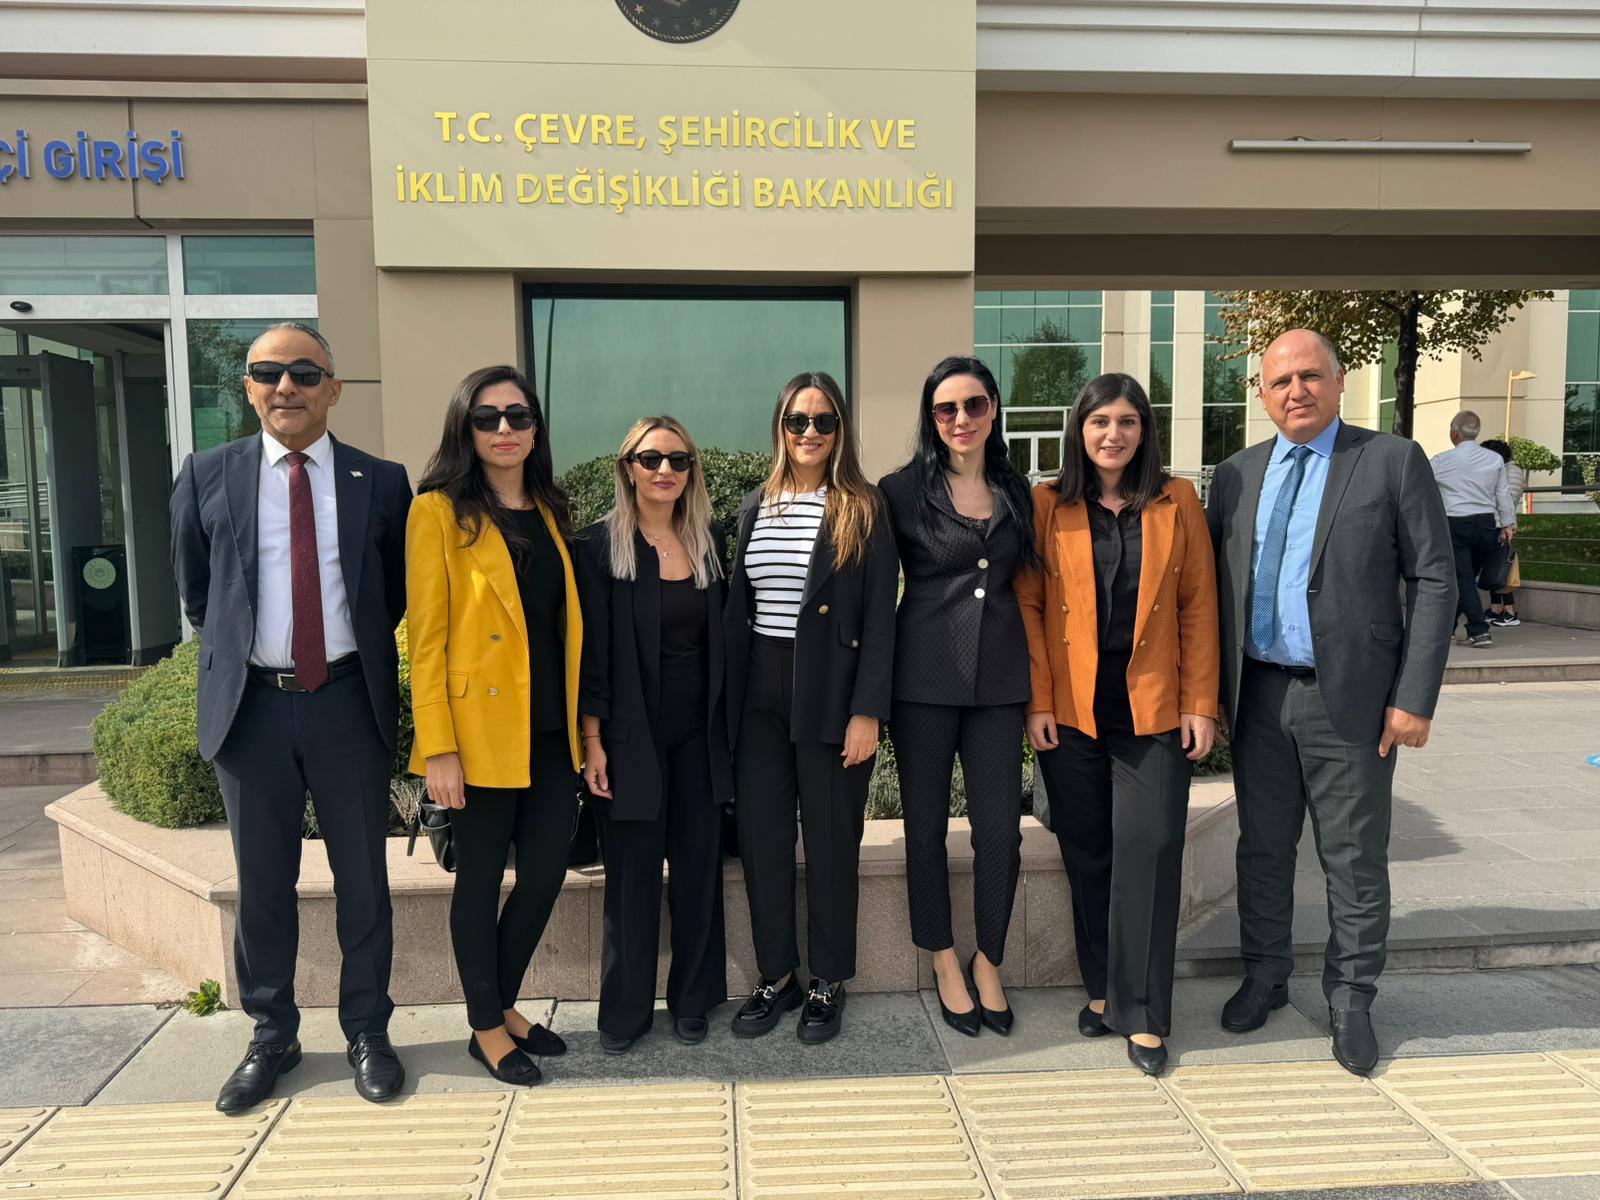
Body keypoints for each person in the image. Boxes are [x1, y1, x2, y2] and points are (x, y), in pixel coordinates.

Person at [170, 322, 411, 1111]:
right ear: (247, 388)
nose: (286, 387)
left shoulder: (382, 480)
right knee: (264, 883)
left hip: (348, 704)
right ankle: (272, 1034)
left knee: (363, 881)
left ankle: (368, 1030)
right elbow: (200, 594)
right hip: (251, 712)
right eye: (267, 372)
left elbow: (390, 594)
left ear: (333, 389)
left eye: (305, 373)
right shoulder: (207, 474)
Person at [1207, 329, 1454, 1075]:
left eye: (1311, 376)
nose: (1297, 391)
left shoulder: (1390, 460)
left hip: (1350, 700)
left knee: (1352, 858)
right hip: (1257, 693)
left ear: (1341, 381)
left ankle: (1351, 1000)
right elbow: (1210, 589)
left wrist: (1414, 698)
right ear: (1262, 395)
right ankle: (1265, 976)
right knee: (1262, 848)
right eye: (1281, 381)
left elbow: (1435, 578)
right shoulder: (1236, 474)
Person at [1015, 373, 1219, 1075]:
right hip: (1072, 712)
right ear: (1079, 429)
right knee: (1090, 853)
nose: (1113, 434)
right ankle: (1103, 989)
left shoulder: (1177, 499)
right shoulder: (1049, 503)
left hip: (1152, 708)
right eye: (1100, 421)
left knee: (1149, 848)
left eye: (1127, 421)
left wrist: (1200, 703)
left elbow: (1198, 605)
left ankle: (1145, 1014)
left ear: (1144, 431)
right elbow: (1029, 605)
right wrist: (1038, 701)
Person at [406, 365, 581, 1087]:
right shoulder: (437, 512)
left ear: (535, 429)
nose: (504, 429)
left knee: (543, 875)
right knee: (478, 881)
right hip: (476, 734)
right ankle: (486, 1025)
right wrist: (437, 748)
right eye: (488, 417)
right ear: (466, 428)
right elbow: (426, 640)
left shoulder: (551, 509)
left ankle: (500, 1004)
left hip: (551, 732)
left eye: (518, 416)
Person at [725, 370, 898, 1044]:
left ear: (840, 430)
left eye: (824, 421)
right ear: (780, 426)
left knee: (830, 843)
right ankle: (777, 975)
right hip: (759, 693)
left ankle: (828, 977)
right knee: (763, 841)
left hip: (832, 689)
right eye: (798, 420)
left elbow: (880, 618)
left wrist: (867, 711)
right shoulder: (755, 504)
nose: (810, 432)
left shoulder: (862, 505)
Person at [879, 356, 1035, 1038]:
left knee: (1001, 831)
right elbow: (874, 595)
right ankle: (943, 956)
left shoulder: (1019, 491)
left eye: (974, 405)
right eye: (947, 408)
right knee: (926, 831)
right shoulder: (899, 491)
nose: (961, 419)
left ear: (993, 409)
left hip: (999, 684)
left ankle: (988, 958)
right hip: (921, 683)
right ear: (931, 417)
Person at [577, 417, 731, 1055]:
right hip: (628, 736)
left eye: (678, 459)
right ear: (628, 468)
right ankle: (625, 1011)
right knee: (631, 878)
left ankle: (693, 998)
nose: (665, 470)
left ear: (691, 470)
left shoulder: (709, 541)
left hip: (700, 733)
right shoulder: (599, 545)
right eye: (650, 459)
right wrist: (593, 742)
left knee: (698, 870)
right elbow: (590, 655)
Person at [1429, 411, 1516, 648]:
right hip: (1487, 525)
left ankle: (1479, 630)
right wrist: (1508, 523)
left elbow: (1422, 487)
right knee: (1466, 579)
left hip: (1455, 524)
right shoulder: (1494, 459)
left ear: (1454, 433)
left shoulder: (1441, 461)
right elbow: (1502, 494)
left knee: (1463, 579)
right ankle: (1448, 627)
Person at [1479, 438, 1525, 627]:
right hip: (1494, 524)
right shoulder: (1500, 470)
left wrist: (1505, 525)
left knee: (1502, 568)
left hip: (1502, 525)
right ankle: (1496, 607)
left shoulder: (1512, 472)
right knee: (1493, 568)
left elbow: (1508, 498)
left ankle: (1510, 611)